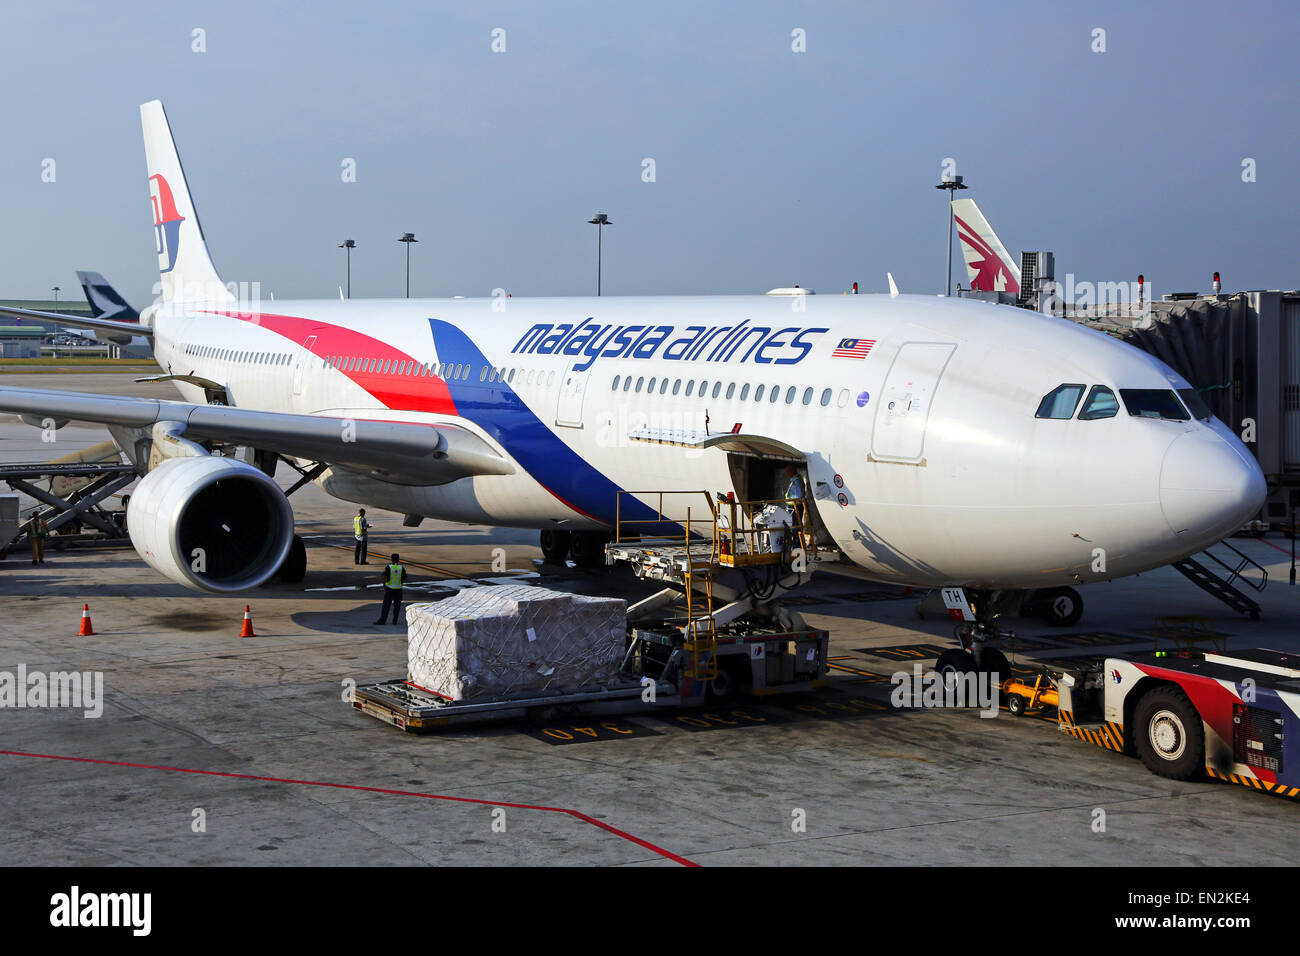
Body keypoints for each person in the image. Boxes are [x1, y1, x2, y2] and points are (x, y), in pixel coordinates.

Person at [375, 553, 407, 625]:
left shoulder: (388, 567)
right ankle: (395, 621)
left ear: (391, 559)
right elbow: (405, 578)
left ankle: (382, 620)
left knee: (386, 606)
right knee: (397, 606)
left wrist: (384, 585)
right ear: (398, 560)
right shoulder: (401, 568)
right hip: (398, 589)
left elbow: (383, 576)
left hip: (389, 589)